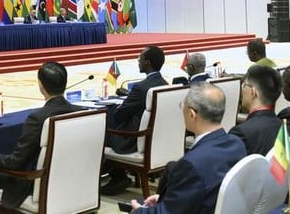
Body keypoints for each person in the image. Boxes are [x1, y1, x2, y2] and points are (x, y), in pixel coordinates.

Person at [0, 62, 80, 210]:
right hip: (70, 181)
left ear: (41, 86)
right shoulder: (79, 112)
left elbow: (16, 163)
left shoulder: (37, 119)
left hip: (34, 183)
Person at [130, 83, 246, 213]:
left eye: (182, 106)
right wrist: (165, 199)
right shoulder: (237, 144)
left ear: (192, 114)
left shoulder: (191, 164)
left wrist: (139, 210)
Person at [102, 46, 168, 195]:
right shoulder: (165, 84)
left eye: (140, 59)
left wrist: (113, 109)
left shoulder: (140, 87)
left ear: (147, 63)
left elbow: (120, 115)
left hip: (134, 141)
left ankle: (118, 176)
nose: (138, 61)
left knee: (105, 121)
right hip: (157, 140)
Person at [229, 65, 282, 155]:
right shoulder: (284, 127)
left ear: (253, 92)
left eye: (244, 85)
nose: (242, 90)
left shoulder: (241, 133)